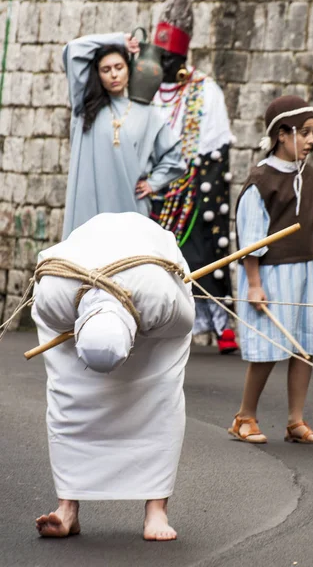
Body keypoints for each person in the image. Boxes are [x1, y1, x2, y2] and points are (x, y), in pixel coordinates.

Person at [32, 212, 195, 540]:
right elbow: (47, 324)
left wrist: (142, 337)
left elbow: (184, 323)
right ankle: (67, 509)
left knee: (161, 393)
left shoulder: (160, 297)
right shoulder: (54, 295)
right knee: (68, 394)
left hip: (146, 266)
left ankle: (156, 511)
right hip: (81, 272)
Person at [228, 95, 313, 445]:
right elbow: (251, 242)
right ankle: (244, 417)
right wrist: (254, 285)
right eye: (303, 133)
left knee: (304, 347)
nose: (310, 140)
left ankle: (295, 421)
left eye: (312, 132)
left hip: (307, 272)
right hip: (272, 275)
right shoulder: (261, 180)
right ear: (282, 135)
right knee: (270, 348)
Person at [150, 0, 238, 355]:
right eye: (161, 55)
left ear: (183, 56)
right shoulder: (145, 87)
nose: (165, 63)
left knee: (204, 250)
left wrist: (193, 177)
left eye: (171, 57)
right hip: (154, 186)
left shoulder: (206, 90)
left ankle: (222, 324)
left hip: (194, 184)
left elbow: (217, 147)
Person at [62, 31, 186, 238]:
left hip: (131, 208)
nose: (113, 75)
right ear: (97, 74)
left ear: (129, 69)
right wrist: (119, 40)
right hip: (87, 213)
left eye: (119, 67)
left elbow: (175, 156)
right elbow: (74, 49)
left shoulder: (148, 113)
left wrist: (153, 183)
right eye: (106, 69)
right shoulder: (83, 108)